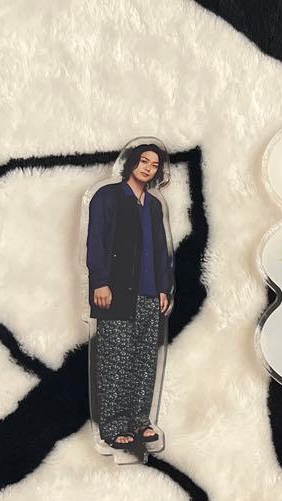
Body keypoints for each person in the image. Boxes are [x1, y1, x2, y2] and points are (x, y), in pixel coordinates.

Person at [86, 142, 173, 454]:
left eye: (154, 164)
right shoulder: (107, 197)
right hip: (115, 294)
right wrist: (100, 282)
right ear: (132, 162)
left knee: (144, 362)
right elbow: (96, 242)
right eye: (144, 161)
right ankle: (113, 426)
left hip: (150, 295)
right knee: (115, 362)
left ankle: (139, 421)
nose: (148, 168)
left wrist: (163, 288)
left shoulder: (154, 206)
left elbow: (161, 251)